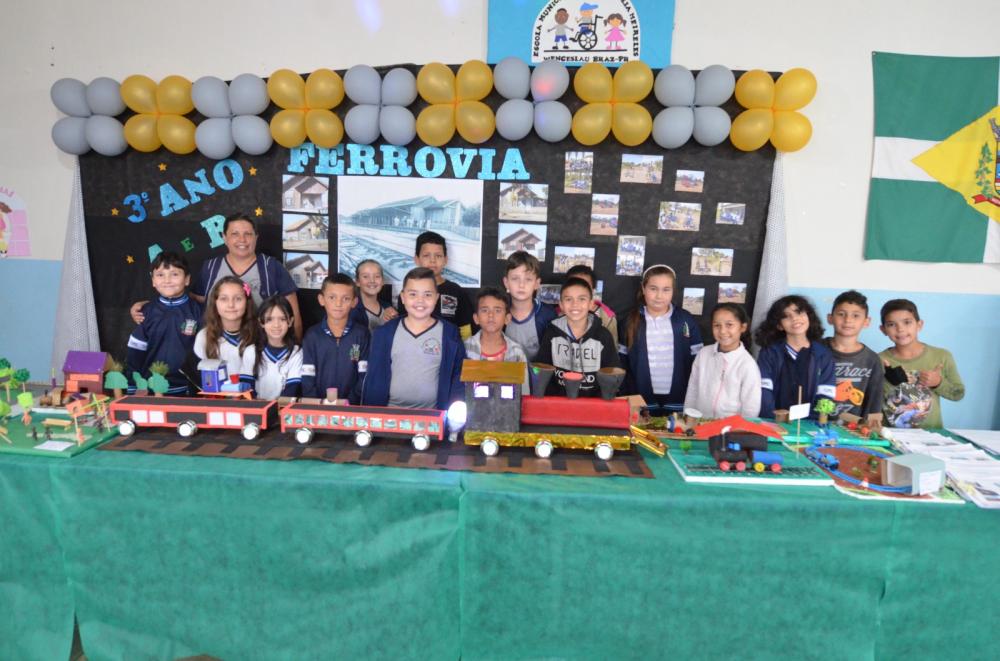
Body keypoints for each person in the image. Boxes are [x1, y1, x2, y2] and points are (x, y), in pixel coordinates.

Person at [131, 213, 302, 340]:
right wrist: (149, 306)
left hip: (260, 348)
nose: (242, 239)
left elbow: (293, 316)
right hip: (217, 346)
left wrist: (294, 352)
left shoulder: (271, 267)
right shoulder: (210, 267)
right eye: (235, 234)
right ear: (224, 237)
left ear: (256, 237)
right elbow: (187, 301)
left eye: (248, 234)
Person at [364, 267, 466, 409]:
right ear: (403, 297)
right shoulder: (384, 333)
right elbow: (373, 378)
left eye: (427, 295)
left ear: (436, 298)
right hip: (389, 414)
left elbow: (458, 377)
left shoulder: (450, 334)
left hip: (434, 416)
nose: (420, 301)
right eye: (413, 294)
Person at [619, 265, 703, 413]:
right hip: (640, 398)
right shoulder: (629, 322)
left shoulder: (685, 320)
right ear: (643, 289)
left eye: (666, 289)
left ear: (673, 291)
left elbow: (698, 362)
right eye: (653, 289)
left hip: (679, 398)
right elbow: (622, 363)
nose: (659, 296)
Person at [878, 299, 964, 429]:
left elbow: (958, 394)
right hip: (889, 435)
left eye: (907, 322)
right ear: (883, 329)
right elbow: (871, 400)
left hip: (931, 435)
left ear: (919, 325)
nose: (900, 329)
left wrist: (938, 383)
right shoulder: (878, 360)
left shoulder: (942, 356)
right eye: (891, 324)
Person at [125, 251, 202, 395]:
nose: (167, 280)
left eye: (174, 274)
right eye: (160, 275)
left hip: (189, 390)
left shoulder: (199, 312)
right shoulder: (145, 313)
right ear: (153, 281)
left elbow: (208, 352)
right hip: (152, 390)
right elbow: (135, 354)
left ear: (187, 279)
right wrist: (133, 387)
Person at [536, 276, 619, 397]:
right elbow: (541, 370)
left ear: (591, 304)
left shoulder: (603, 336)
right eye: (569, 299)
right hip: (558, 402)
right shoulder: (551, 333)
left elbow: (611, 373)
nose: (575, 304)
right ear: (561, 305)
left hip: (593, 403)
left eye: (582, 299)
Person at [755, 295, 836, 419]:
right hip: (774, 422)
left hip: (809, 424)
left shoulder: (823, 355)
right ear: (779, 325)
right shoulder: (769, 353)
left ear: (809, 316)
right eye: (786, 316)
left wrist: (812, 419)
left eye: (799, 312)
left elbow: (825, 395)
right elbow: (764, 391)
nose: (795, 318)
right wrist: (773, 417)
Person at [300, 274, 371, 404]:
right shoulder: (312, 335)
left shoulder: (362, 334)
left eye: (346, 298)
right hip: (318, 408)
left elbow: (364, 375)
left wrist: (350, 402)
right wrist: (316, 404)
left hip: (352, 407)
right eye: (332, 297)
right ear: (321, 299)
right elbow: (307, 378)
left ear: (354, 302)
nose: (338, 304)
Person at [684, 303, 761, 418]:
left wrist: (740, 427)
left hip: (730, 427)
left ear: (743, 327)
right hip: (699, 423)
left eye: (729, 325)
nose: (722, 331)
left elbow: (751, 407)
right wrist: (688, 417)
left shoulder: (747, 364)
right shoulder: (704, 354)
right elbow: (693, 389)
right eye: (717, 325)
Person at [397, 231, 474, 340]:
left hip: (448, 348)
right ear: (417, 259)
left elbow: (465, 328)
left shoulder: (456, 291)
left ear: (445, 260)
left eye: (438, 256)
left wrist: (462, 348)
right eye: (426, 255)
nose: (432, 260)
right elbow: (402, 326)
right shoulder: (408, 293)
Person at [824, 290, 884, 425]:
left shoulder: (872, 359)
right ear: (830, 318)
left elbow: (874, 399)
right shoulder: (816, 351)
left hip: (853, 429)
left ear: (866, 322)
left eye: (856, 315)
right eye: (841, 314)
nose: (848, 320)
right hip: (814, 425)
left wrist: (870, 427)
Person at [465, 287, 530, 392]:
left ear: (507, 318)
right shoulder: (465, 349)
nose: (491, 315)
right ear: (476, 318)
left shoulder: (516, 353)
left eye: (497, 310)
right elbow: (458, 389)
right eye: (485, 310)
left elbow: (524, 392)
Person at [193, 276, 257, 384]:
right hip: (218, 394)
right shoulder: (204, 336)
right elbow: (203, 381)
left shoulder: (260, 334)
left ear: (247, 302)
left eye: (238, 299)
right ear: (215, 302)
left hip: (254, 394)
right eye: (224, 299)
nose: (231, 305)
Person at [239, 296, 303, 400]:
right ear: (261, 322)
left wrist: (274, 406)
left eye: (282, 319)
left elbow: (292, 390)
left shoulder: (296, 353)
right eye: (269, 319)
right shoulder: (251, 351)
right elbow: (247, 388)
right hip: (256, 407)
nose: (276, 325)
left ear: (291, 321)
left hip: (283, 408)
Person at [502, 251, 556, 362]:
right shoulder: (499, 313)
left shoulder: (547, 315)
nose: (521, 285)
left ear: (536, 284)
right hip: (504, 372)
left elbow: (551, 359)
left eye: (528, 279)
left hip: (537, 372)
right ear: (506, 282)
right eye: (515, 278)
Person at [563, 264, 618, 346]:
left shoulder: (607, 318)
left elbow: (612, 350)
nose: (579, 290)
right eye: (574, 284)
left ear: (593, 290)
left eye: (585, 285)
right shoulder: (556, 314)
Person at [350, 259, 398, 332]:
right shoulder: (351, 310)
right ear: (357, 282)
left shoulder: (388, 307)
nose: (372, 280)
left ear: (383, 281)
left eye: (377, 276)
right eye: (365, 276)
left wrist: (395, 320)